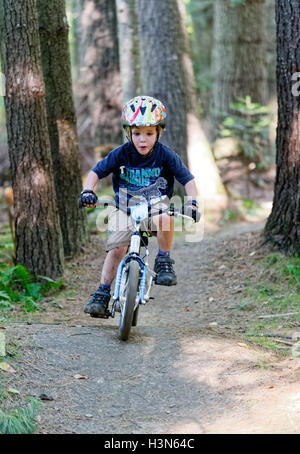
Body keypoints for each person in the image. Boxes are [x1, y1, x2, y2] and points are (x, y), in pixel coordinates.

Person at [80, 95, 200, 318]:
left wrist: (192, 202)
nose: (142, 140)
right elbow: (96, 172)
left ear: (158, 133)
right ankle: (102, 293)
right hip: (124, 209)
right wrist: (88, 190)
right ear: (128, 133)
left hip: (155, 209)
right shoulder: (121, 153)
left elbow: (188, 180)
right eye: (137, 134)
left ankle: (164, 259)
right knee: (117, 249)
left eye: (149, 134)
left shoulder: (165, 154)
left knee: (165, 216)